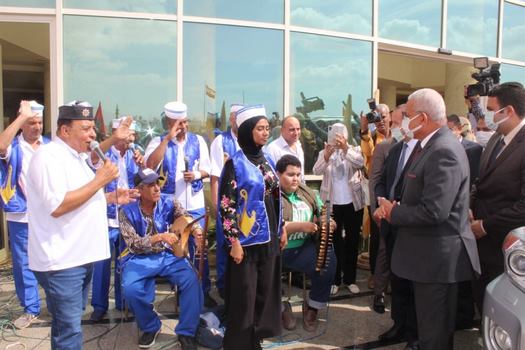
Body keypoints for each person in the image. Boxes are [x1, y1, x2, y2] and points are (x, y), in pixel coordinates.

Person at [377, 88, 480, 350]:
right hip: (426, 257)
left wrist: (393, 212)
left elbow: (435, 211)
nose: (402, 123)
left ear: (422, 118)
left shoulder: (443, 150)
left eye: (407, 116)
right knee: (428, 329)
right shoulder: (430, 146)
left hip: (437, 261)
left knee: (434, 334)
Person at [26, 100, 120, 349]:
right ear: (65, 130)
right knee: (69, 331)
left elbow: (80, 197)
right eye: (86, 128)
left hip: (80, 256)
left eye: (93, 128)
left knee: (67, 323)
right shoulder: (48, 157)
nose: (93, 134)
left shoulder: (77, 158)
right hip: (62, 261)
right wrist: (100, 181)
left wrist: (109, 196)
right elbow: (57, 206)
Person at [218, 104, 286, 350]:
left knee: (263, 294)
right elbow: (227, 205)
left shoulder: (267, 159)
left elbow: (276, 197)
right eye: (260, 128)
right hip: (245, 243)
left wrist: (283, 227)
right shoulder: (235, 164)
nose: (266, 133)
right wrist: (233, 241)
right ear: (247, 130)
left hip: (268, 239)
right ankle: (237, 344)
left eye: (267, 128)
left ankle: (254, 338)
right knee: (244, 298)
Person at [119, 168, 203, 349]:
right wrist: (159, 237)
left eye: (158, 183)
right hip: (139, 258)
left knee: (192, 279)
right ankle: (150, 326)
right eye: (151, 185)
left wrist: (196, 231)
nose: (157, 188)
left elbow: (184, 216)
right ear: (140, 190)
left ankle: (186, 332)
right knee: (130, 289)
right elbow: (133, 244)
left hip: (168, 255)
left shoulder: (169, 200)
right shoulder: (126, 211)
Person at [145, 101, 214, 307]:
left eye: (185, 122)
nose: (183, 127)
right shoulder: (158, 142)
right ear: (169, 123)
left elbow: (207, 169)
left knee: (199, 249)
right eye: (178, 123)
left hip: (195, 205)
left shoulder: (198, 141)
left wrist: (196, 175)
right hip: (169, 208)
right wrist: (167, 139)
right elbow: (150, 166)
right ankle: (181, 291)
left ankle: (203, 291)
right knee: (175, 250)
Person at [470, 82, 525, 314]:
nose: (488, 116)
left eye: (492, 110)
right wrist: (469, 207)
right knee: (482, 303)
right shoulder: (495, 139)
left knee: (501, 312)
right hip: (480, 242)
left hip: (505, 244)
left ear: (509, 111)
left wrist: (485, 225)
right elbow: (481, 182)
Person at [373, 107, 419, 349]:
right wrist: (380, 203)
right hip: (390, 225)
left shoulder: (425, 151)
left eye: (401, 121)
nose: (398, 126)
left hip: (410, 227)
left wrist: (396, 207)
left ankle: (414, 333)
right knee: (398, 280)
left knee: (412, 284)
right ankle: (398, 324)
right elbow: (380, 181)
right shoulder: (395, 148)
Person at [0, 100, 49, 329]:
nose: (36, 126)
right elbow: (0, 146)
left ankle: (57, 304)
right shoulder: (14, 146)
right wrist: (21, 116)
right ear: (21, 125)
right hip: (21, 214)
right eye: (31, 122)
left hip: (50, 215)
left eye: (39, 122)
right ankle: (31, 309)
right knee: (23, 263)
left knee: (52, 260)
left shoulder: (49, 146)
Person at [89, 117, 143, 322]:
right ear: (115, 133)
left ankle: (123, 302)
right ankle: (100, 306)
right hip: (106, 217)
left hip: (127, 219)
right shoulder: (102, 153)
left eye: (132, 134)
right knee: (102, 265)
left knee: (125, 262)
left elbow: (145, 181)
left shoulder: (135, 153)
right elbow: (92, 158)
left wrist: (142, 164)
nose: (131, 138)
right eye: (127, 133)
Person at [277, 154, 336, 332]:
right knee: (260, 272)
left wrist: (328, 223)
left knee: (328, 260)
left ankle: (313, 307)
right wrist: (301, 226)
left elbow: (323, 212)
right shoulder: (271, 195)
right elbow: (273, 225)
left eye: (298, 174)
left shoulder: (306, 192)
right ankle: (280, 308)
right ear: (278, 174)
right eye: (290, 174)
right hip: (277, 251)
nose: (295, 179)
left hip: (302, 249)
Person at [312, 123, 364, 296]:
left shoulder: (354, 149)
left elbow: (360, 162)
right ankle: (334, 280)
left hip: (353, 203)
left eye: (341, 134)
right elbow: (316, 170)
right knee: (332, 242)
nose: (337, 137)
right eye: (335, 134)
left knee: (352, 240)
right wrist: (326, 156)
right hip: (331, 203)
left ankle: (350, 279)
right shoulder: (324, 151)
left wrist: (345, 148)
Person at [370, 104, 407, 314]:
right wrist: (378, 206)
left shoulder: (419, 147)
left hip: (407, 212)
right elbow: (375, 179)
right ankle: (379, 293)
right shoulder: (386, 147)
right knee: (384, 252)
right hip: (385, 210)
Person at [209, 103, 244, 298]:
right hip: (227, 205)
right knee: (225, 246)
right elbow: (215, 177)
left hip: (247, 208)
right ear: (231, 119)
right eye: (236, 117)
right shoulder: (220, 141)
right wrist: (217, 207)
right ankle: (224, 287)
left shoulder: (251, 140)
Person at [360, 103, 392, 290]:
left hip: (395, 191)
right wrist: (364, 129)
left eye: (384, 116)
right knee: (377, 236)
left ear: (391, 117)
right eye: (376, 117)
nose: (380, 121)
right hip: (377, 193)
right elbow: (367, 153)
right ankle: (375, 274)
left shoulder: (399, 136)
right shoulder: (371, 137)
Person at [447, 114, 482, 189]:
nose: (446, 134)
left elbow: (473, 177)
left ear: (459, 128)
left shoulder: (473, 149)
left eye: (450, 130)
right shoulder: (440, 148)